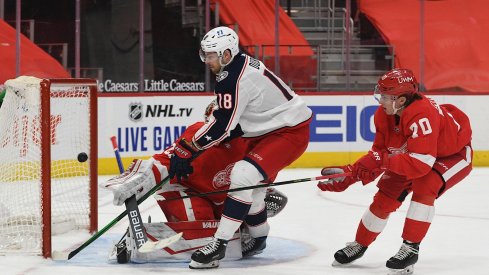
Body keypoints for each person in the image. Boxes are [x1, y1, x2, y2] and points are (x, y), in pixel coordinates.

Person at [167, 26, 312, 269]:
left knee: (242, 175)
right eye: (206, 54)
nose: (207, 60)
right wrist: (195, 146)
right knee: (253, 192)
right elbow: (230, 123)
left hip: (288, 132)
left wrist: (187, 148)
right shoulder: (235, 65)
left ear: (226, 54)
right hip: (266, 129)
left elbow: (223, 126)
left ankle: (219, 245)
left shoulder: (233, 78)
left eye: (211, 55)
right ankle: (258, 239)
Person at [317, 68, 472, 274]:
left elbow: (420, 165)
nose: (380, 100)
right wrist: (351, 174)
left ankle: (410, 248)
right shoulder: (383, 114)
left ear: (400, 100)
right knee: (385, 196)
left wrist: (380, 164)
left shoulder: (422, 115)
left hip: (451, 156)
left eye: (385, 96)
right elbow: (380, 152)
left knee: (426, 186)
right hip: (416, 155)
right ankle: (360, 243)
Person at [102, 119, 289, 263]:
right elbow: (163, 161)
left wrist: (259, 228)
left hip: (221, 196)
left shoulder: (253, 142)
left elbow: (258, 184)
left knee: (238, 214)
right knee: (204, 230)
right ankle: (135, 239)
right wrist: (137, 180)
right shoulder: (197, 134)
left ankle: (241, 228)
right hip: (182, 189)